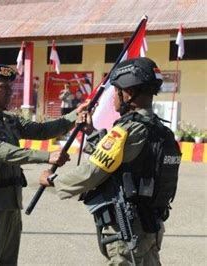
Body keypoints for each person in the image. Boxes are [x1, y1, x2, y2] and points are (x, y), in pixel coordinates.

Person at [39, 57, 181, 265]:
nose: (114, 96)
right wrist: (92, 133)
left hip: (127, 232)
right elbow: (121, 160)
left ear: (129, 93)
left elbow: (93, 172)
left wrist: (53, 180)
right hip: (151, 225)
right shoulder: (160, 130)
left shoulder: (128, 129)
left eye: (116, 90)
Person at [0, 64, 88, 265]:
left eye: (11, 87)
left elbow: (43, 130)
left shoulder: (8, 120)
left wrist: (74, 115)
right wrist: (46, 156)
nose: (11, 92)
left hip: (11, 205)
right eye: (4, 88)